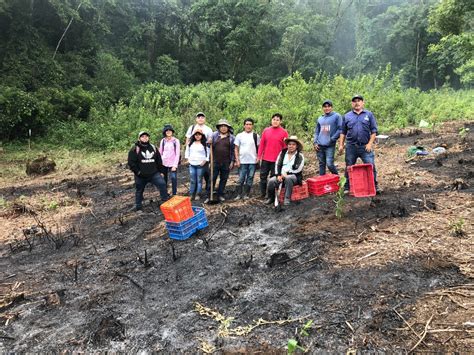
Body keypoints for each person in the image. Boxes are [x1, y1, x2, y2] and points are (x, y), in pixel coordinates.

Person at [339, 94, 379, 193]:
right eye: (354, 101)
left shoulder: (368, 115)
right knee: (349, 166)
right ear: (352, 103)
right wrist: (341, 145)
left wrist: (370, 144)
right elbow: (343, 132)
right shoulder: (347, 116)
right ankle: (347, 187)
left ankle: (374, 186)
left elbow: (374, 131)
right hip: (351, 147)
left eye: (359, 100)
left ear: (363, 103)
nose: (357, 103)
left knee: (371, 165)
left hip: (365, 147)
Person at [128, 131, 169, 212]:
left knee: (162, 184)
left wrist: (161, 171)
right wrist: (138, 172)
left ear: (148, 137)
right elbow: (131, 163)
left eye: (146, 136)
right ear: (139, 138)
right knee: (139, 190)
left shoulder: (153, 147)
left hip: (153, 174)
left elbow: (159, 160)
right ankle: (138, 206)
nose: (145, 138)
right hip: (140, 175)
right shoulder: (134, 149)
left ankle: (165, 201)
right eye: (142, 137)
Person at [265, 136, 305, 206]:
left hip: (294, 176)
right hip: (281, 175)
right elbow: (277, 164)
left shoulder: (300, 156)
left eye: (293, 144)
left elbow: (298, 169)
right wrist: (278, 175)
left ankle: (287, 199)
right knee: (271, 181)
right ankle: (271, 198)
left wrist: (286, 174)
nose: (291, 146)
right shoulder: (283, 153)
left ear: (296, 146)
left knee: (288, 178)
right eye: (289, 144)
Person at [257, 113, 289, 198]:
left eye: (277, 120)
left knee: (273, 178)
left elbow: (286, 147)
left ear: (280, 121)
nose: (275, 121)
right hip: (266, 158)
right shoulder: (266, 131)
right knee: (263, 177)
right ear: (271, 120)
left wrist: (284, 159)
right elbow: (262, 144)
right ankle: (262, 193)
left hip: (277, 160)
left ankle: (270, 195)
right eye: (274, 119)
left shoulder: (284, 132)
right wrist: (259, 156)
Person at [206, 119, 235, 203]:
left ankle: (220, 194)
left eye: (225, 126)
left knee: (224, 179)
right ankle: (209, 195)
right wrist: (209, 142)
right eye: (221, 126)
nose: (223, 128)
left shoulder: (232, 137)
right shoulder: (214, 135)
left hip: (226, 162)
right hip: (215, 161)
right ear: (219, 127)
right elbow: (208, 145)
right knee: (212, 178)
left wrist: (232, 161)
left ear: (228, 128)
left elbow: (233, 150)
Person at [185, 112, 213, 193]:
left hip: (204, 153)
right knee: (194, 177)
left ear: (205, 119)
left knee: (206, 173)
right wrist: (187, 154)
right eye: (199, 117)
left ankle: (207, 190)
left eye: (202, 117)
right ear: (196, 119)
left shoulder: (208, 129)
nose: (200, 119)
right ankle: (194, 191)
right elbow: (187, 139)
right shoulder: (192, 127)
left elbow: (210, 142)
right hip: (193, 154)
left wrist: (207, 158)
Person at [313, 100, 342, 175]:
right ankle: (322, 181)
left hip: (330, 145)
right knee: (321, 164)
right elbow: (316, 131)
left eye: (328, 106)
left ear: (331, 107)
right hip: (320, 145)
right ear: (323, 108)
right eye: (325, 107)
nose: (327, 108)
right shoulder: (320, 118)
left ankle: (337, 178)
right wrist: (315, 142)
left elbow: (340, 129)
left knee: (329, 164)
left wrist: (332, 139)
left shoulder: (336, 116)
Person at [234, 118, 260, 200]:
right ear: (244, 125)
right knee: (241, 178)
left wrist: (259, 158)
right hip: (242, 161)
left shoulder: (256, 136)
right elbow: (236, 148)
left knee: (250, 178)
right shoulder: (239, 135)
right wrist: (237, 160)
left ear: (252, 126)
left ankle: (246, 194)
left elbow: (259, 148)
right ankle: (238, 194)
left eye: (250, 124)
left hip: (252, 161)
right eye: (247, 124)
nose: (248, 126)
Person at [184, 129, 209, 200]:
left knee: (199, 180)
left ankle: (198, 194)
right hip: (192, 164)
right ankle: (192, 194)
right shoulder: (191, 143)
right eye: (196, 135)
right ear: (194, 136)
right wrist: (187, 159)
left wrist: (205, 161)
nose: (197, 136)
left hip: (200, 164)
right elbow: (187, 151)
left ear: (202, 136)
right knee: (192, 180)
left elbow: (208, 153)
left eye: (199, 135)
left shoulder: (204, 144)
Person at [159, 124, 180, 196]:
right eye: (167, 130)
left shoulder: (175, 141)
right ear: (164, 132)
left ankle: (174, 193)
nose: (168, 132)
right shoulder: (163, 141)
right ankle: (165, 193)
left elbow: (177, 154)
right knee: (164, 179)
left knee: (173, 178)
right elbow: (160, 153)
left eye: (169, 130)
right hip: (164, 162)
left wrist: (175, 165)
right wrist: (160, 164)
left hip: (172, 163)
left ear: (172, 131)